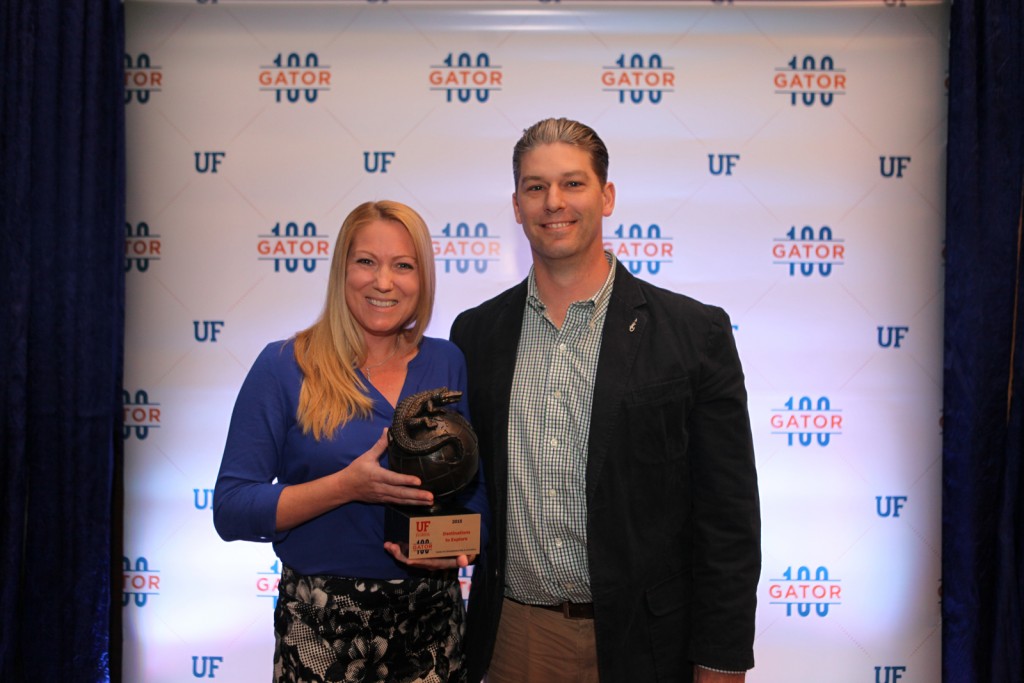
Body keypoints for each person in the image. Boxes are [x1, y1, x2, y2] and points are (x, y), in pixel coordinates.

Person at [450, 118, 761, 683]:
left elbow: (729, 519)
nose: (553, 203)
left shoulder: (694, 333)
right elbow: (466, 486)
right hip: (517, 639)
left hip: (649, 643)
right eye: (535, 187)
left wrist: (720, 659)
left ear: (607, 196)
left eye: (572, 183)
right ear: (516, 206)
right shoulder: (475, 334)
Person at [214, 200, 487, 683]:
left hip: (432, 626)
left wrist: (462, 546)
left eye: (403, 265)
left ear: (422, 279)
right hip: (322, 628)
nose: (384, 282)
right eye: (367, 262)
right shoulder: (282, 366)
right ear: (342, 270)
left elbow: (474, 496)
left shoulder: (448, 362)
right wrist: (348, 486)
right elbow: (232, 508)